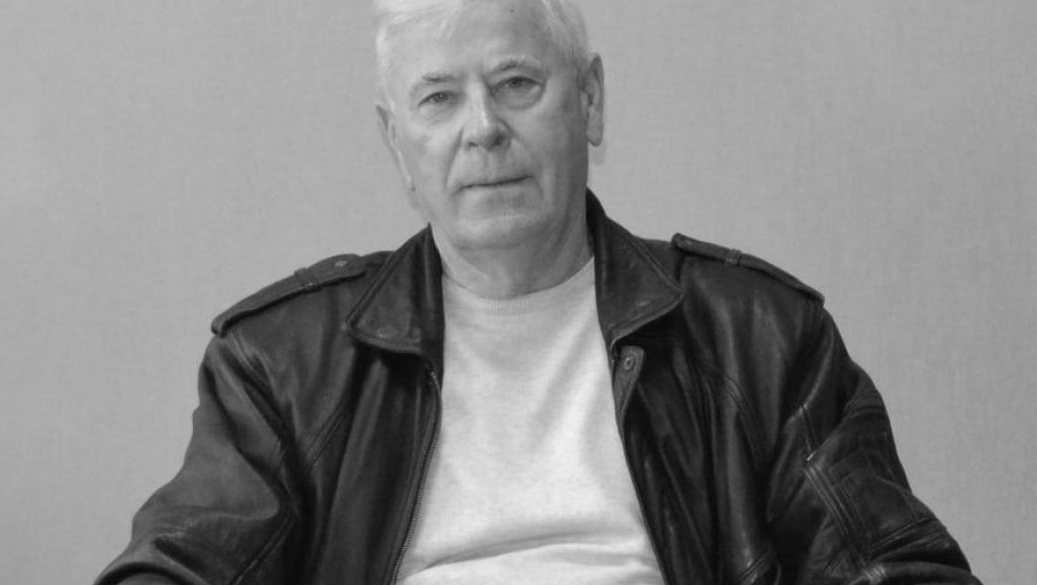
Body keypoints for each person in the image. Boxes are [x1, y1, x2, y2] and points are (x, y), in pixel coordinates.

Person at [95, 1, 981, 584]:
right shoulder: (284, 366)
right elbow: (177, 567)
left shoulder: (758, 338)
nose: (483, 129)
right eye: (439, 99)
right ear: (397, 143)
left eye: (517, 83)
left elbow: (892, 567)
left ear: (589, 101)